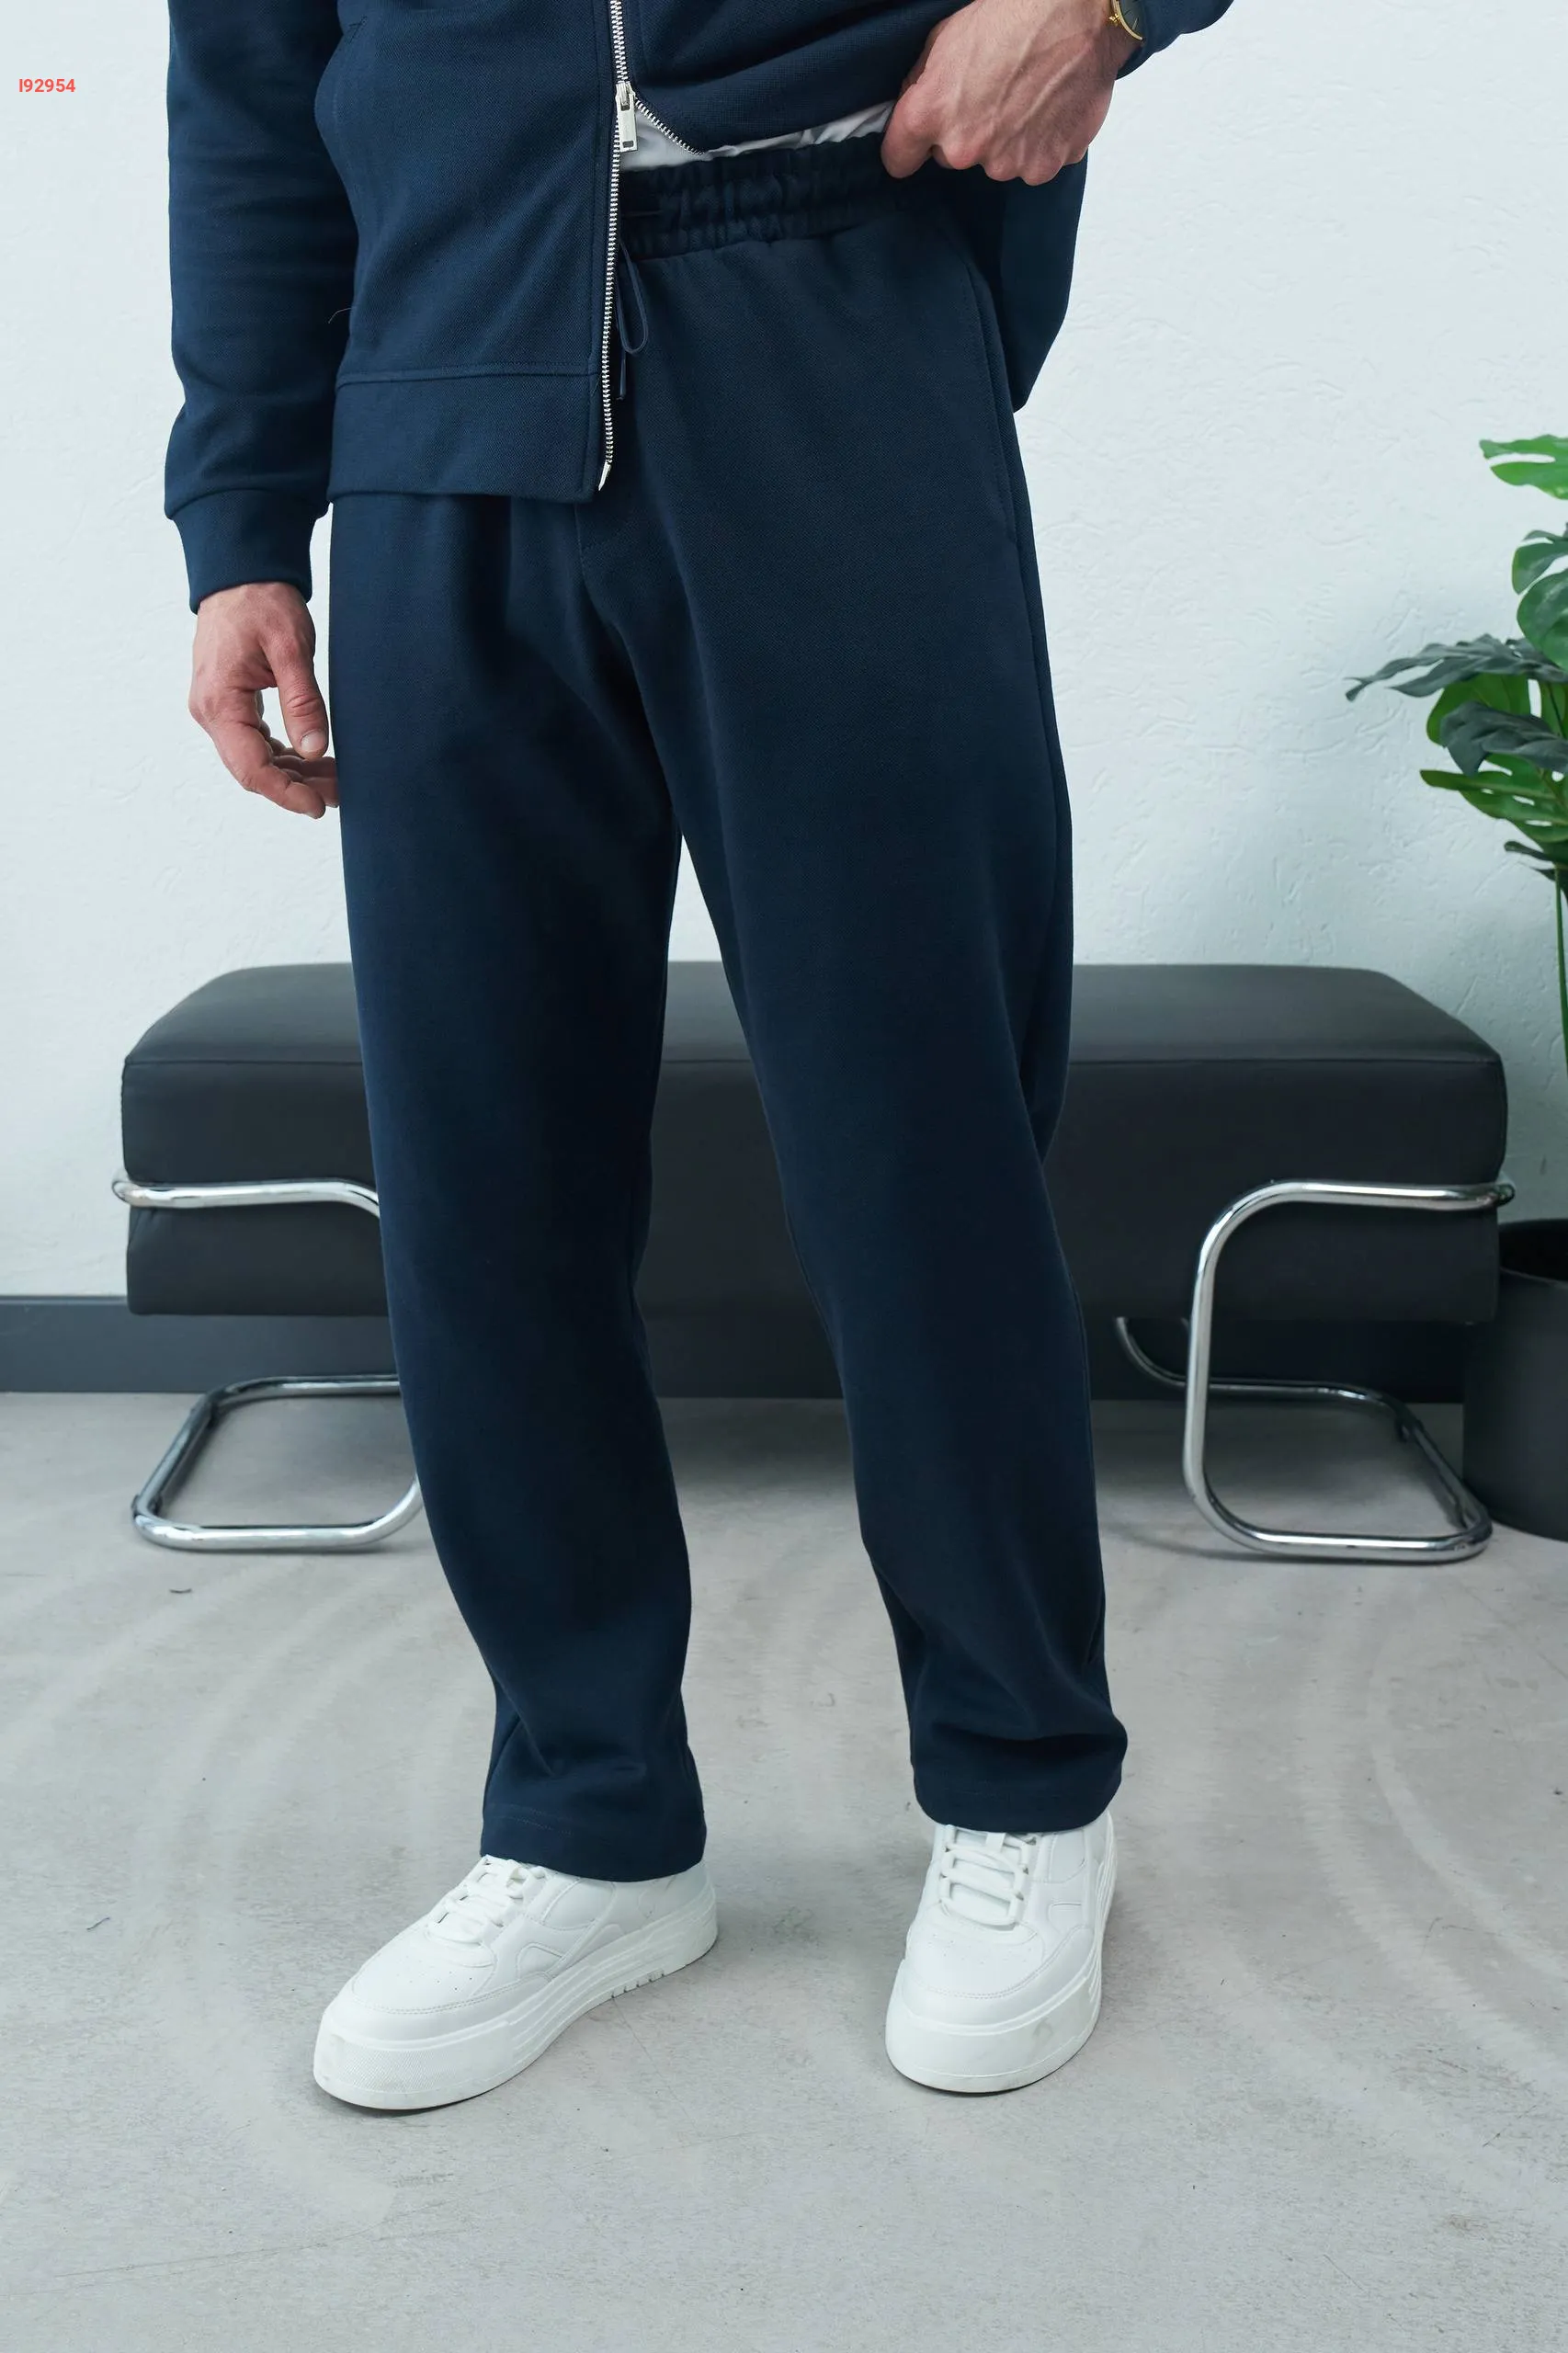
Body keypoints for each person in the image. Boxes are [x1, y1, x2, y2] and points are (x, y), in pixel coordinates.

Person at [166, 0, 1234, 2109]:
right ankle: (587, 1816)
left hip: (834, 311)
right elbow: (251, 82)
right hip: (438, 398)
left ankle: (1023, 1782)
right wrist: (241, 521)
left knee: (918, 1140)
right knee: (485, 1180)